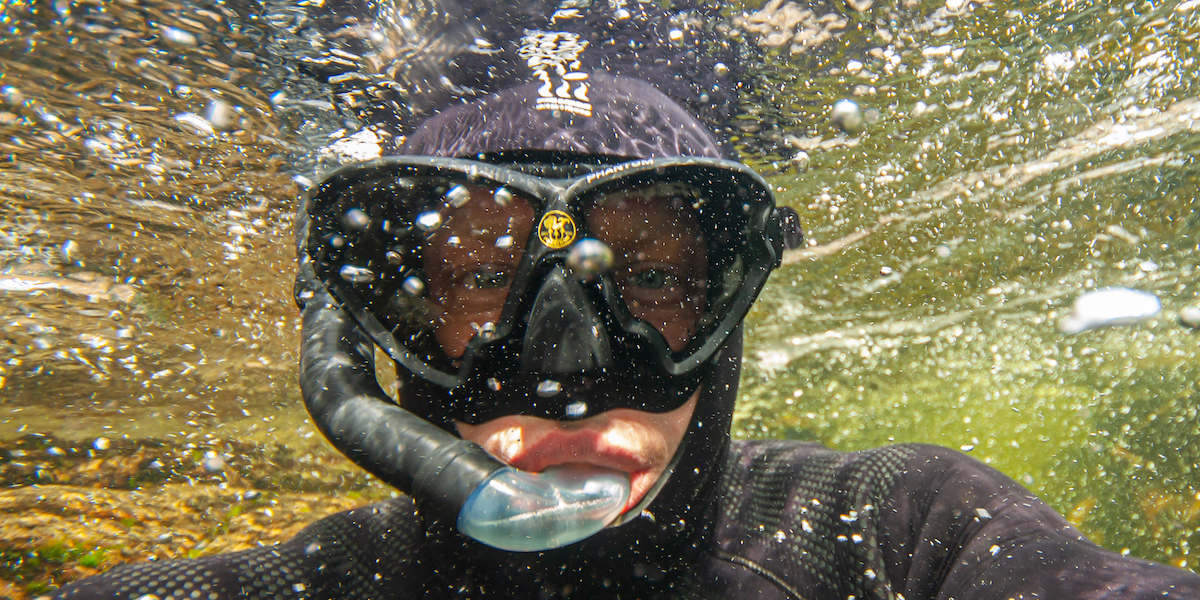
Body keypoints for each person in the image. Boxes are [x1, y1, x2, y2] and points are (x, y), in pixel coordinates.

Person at [47, 2, 1200, 599]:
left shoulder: (894, 536)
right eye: (487, 281)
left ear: (729, 307)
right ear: (376, 329)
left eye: (648, 278)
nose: (569, 364)